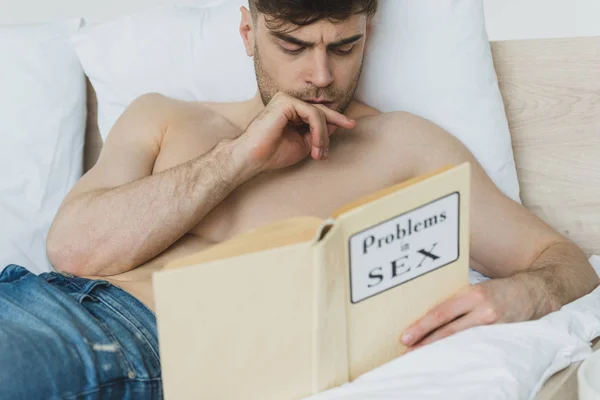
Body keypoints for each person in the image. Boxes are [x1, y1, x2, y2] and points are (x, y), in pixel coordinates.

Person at [1, 0, 598, 398]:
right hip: (26, 291)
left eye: (343, 46)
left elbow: (561, 257)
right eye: (292, 46)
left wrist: (520, 293)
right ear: (248, 32)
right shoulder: (162, 117)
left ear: (370, 34)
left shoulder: (404, 146)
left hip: (138, 339)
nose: (320, 75)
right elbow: (71, 250)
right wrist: (238, 160)